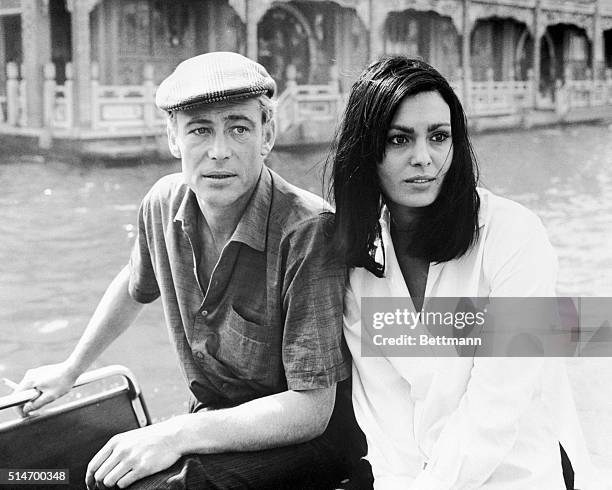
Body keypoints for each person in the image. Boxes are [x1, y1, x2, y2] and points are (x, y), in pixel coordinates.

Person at [15, 52, 361, 489]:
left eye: (239, 128)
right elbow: (134, 283)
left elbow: (311, 411)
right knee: (68, 470)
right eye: (200, 130)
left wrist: (173, 433)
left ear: (267, 135)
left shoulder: (309, 231)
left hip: (309, 439)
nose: (219, 151)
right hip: (213, 419)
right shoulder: (162, 203)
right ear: (173, 138)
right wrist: (71, 368)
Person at [328, 56, 602, 489]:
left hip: (520, 474)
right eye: (400, 140)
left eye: (439, 137)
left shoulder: (513, 235)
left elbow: (498, 406)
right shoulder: (361, 263)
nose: (424, 158)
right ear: (366, 151)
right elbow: (384, 419)